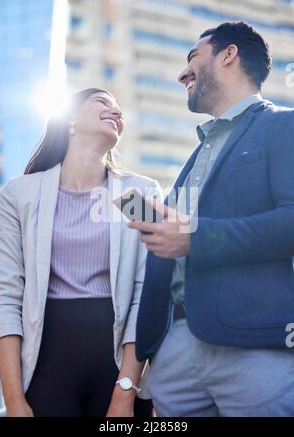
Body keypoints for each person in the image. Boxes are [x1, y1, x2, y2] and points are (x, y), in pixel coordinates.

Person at [129, 22, 294, 417]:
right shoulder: (197, 155)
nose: (181, 74)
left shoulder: (283, 125)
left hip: (252, 348)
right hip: (177, 351)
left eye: (192, 59)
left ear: (228, 55)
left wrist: (195, 238)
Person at [0, 88, 160, 417]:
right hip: (45, 366)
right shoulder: (20, 194)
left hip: (117, 366)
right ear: (69, 118)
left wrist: (125, 392)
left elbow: (147, 293)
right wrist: (13, 401)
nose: (117, 112)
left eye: (119, 109)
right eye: (103, 102)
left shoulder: (136, 194)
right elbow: (5, 296)